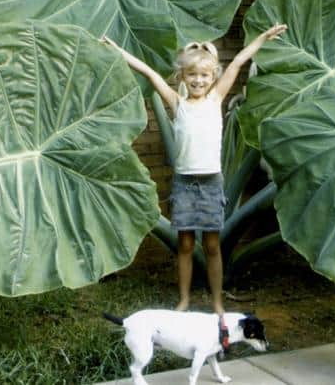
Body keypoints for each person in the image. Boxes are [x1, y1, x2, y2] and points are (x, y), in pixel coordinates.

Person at [103, 24, 287, 316]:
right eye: (192, 75)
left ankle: (217, 303)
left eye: (204, 75)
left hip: (211, 183)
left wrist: (263, 38)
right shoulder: (177, 104)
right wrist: (119, 50)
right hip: (185, 185)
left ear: (212, 76)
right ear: (182, 77)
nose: (198, 80)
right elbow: (149, 73)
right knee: (186, 246)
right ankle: (185, 300)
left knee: (212, 247)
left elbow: (238, 61)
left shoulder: (216, 100)